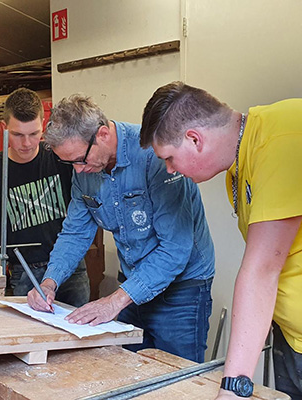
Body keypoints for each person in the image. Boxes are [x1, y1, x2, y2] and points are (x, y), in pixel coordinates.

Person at [139, 81, 302, 399]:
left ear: (194, 139)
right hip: (292, 338)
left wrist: (233, 388)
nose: (170, 169)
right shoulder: (238, 168)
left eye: (169, 158)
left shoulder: (284, 136)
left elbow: (262, 272)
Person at [27, 93, 215, 363]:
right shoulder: (84, 167)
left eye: (80, 159)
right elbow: (75, 233)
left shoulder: (155, 156)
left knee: (175, 380)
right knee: (129, 372)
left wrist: (114, 302)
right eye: (70, 163)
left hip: (181, 289)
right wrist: (48, 282)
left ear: (102, 134)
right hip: (133, 284)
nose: (77, 171)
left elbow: (175, 250)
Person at [0, 88, 90, 307]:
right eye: (18, 135)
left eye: (33, 134)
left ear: (43, 126)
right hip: (24, 273)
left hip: (70, 267)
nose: (26, 143)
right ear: (5, 129)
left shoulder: (60, 159)